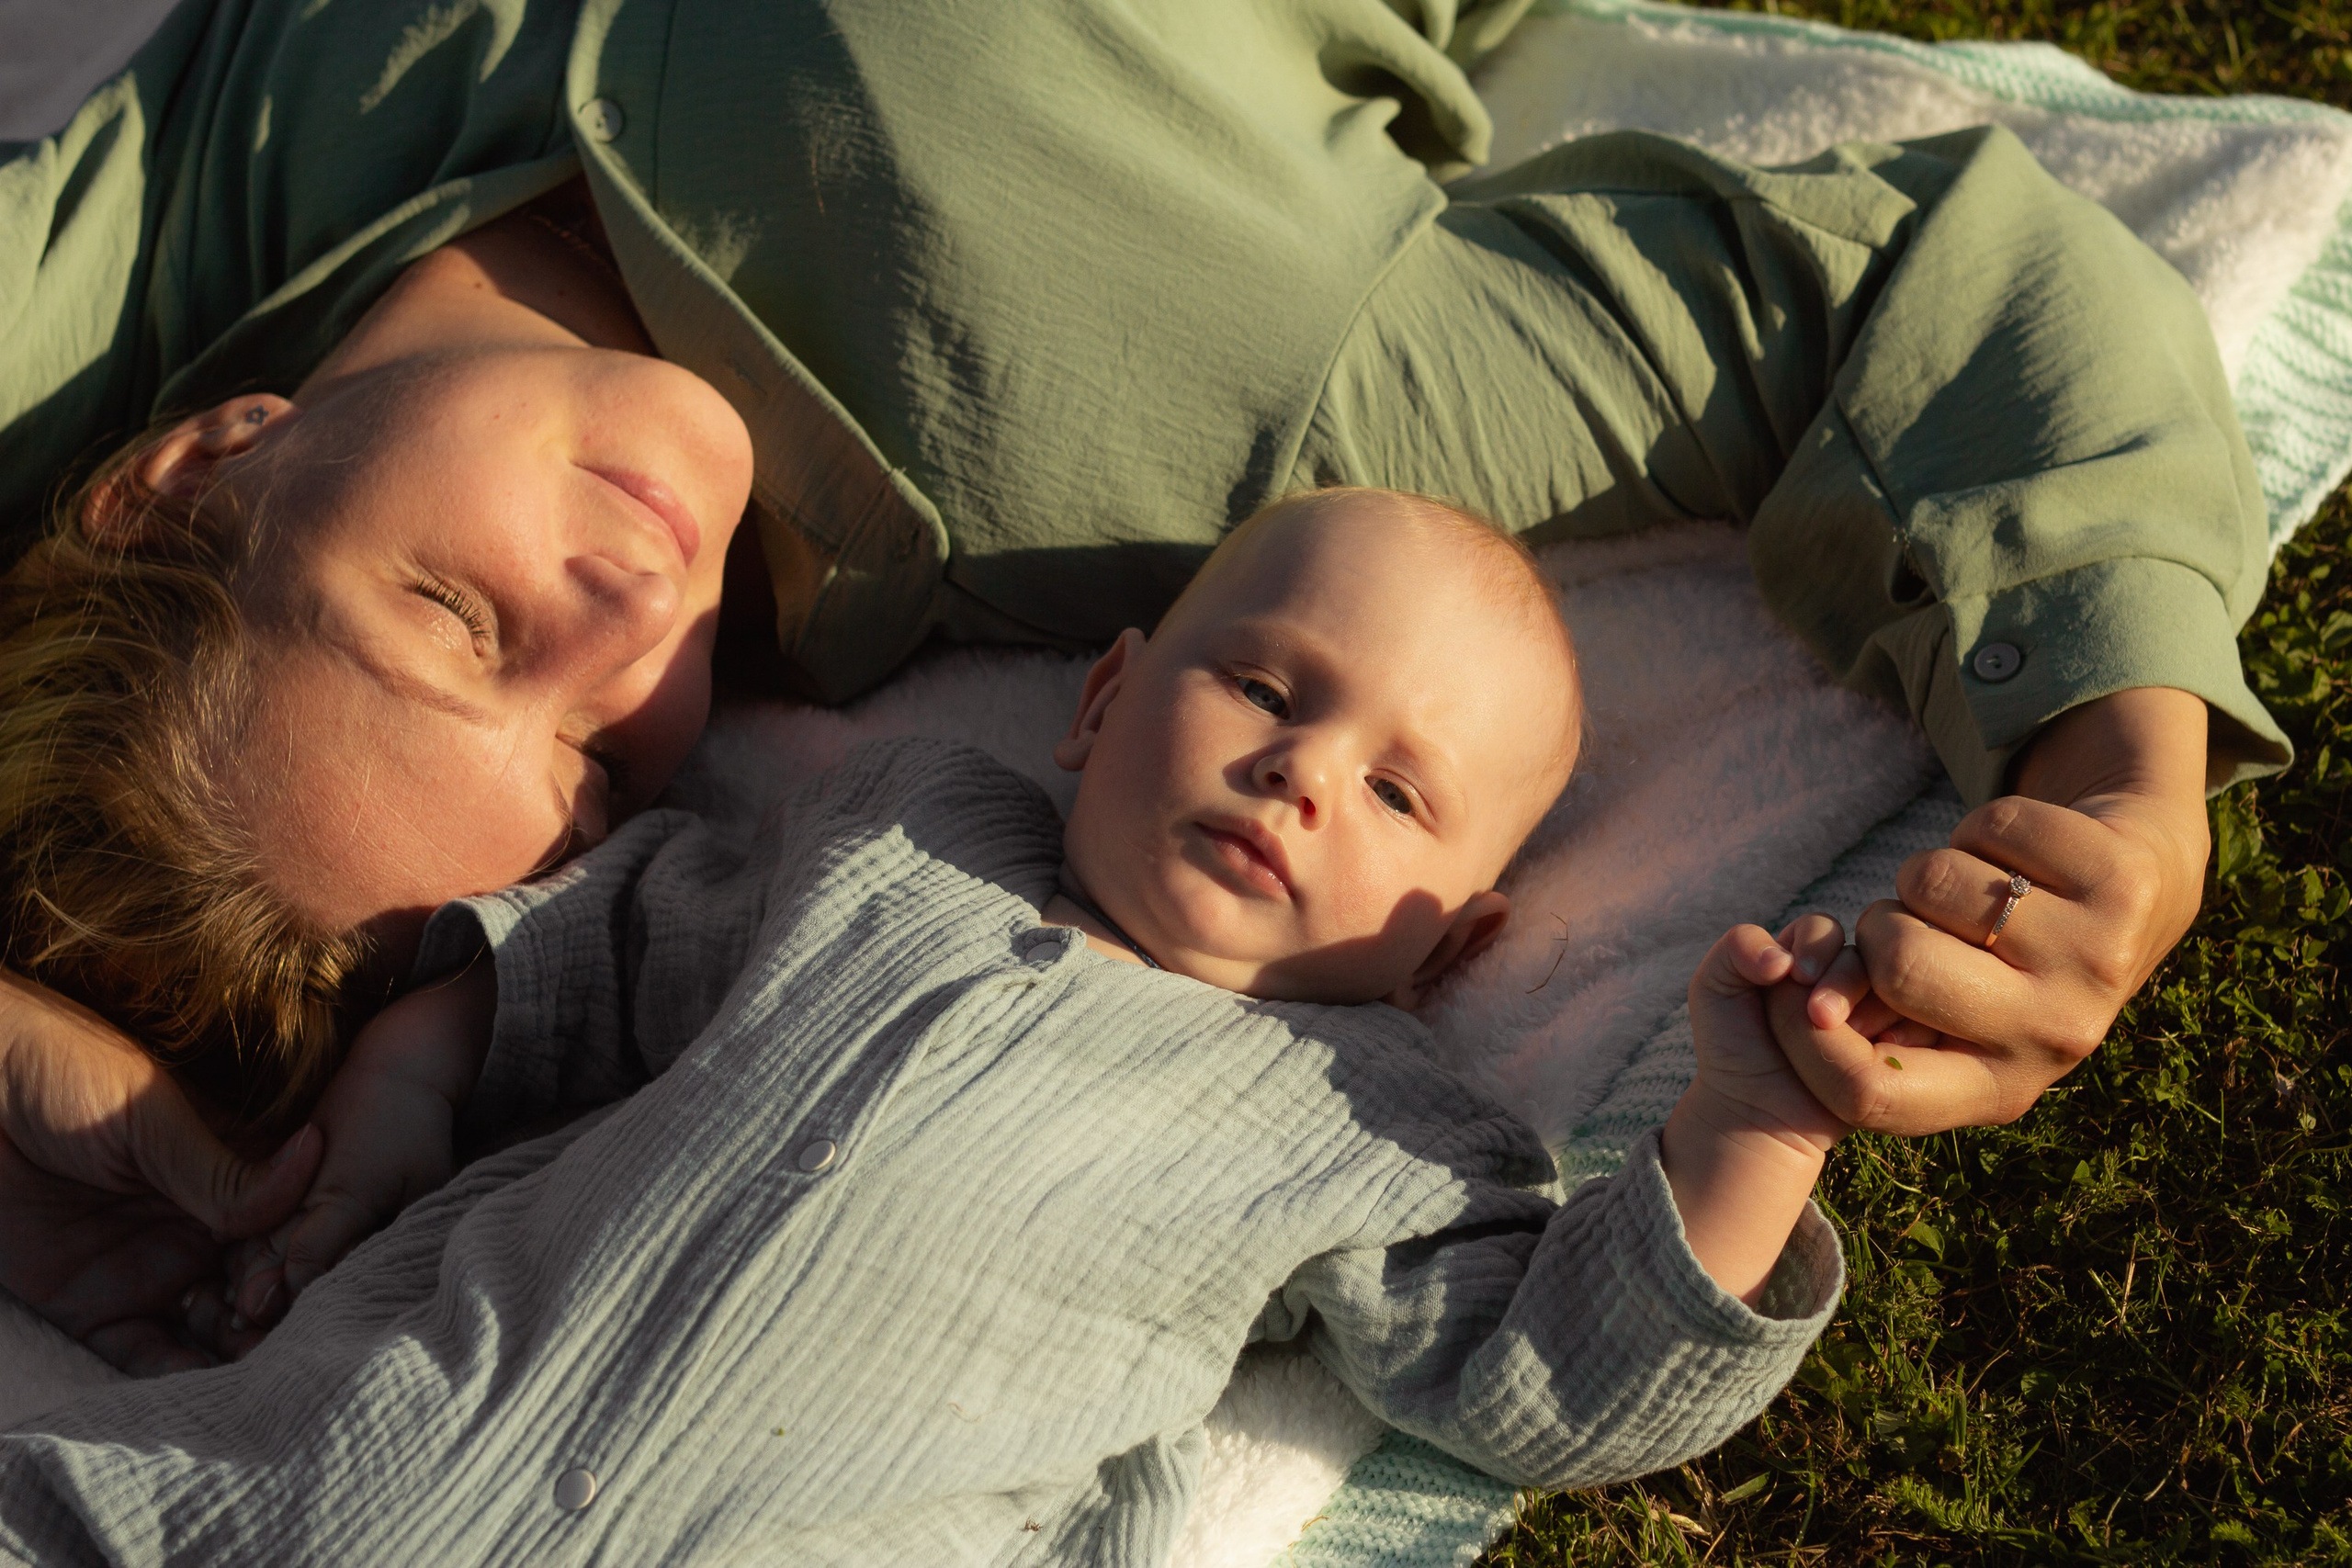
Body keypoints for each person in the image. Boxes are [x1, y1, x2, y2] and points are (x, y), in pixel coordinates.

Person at [0, 0, 2271, 1371]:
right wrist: (2122, 778)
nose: (626, 620)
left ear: (195, 466)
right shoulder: (1210, 431)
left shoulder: (104, 295)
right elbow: (1946, 286)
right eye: (594, 770)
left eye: (453, 619)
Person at [1, 492, 1917, 1563]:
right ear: (1101, 699)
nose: (1301, 771)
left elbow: (1545, 1370)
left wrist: (1753, 1127)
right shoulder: (904, 833)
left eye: (1402, 794)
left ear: (1458, 941)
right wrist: (411, 1070)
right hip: (305, 1476)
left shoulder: (1376, 1122)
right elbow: (609, 936)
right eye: (1266, 686)